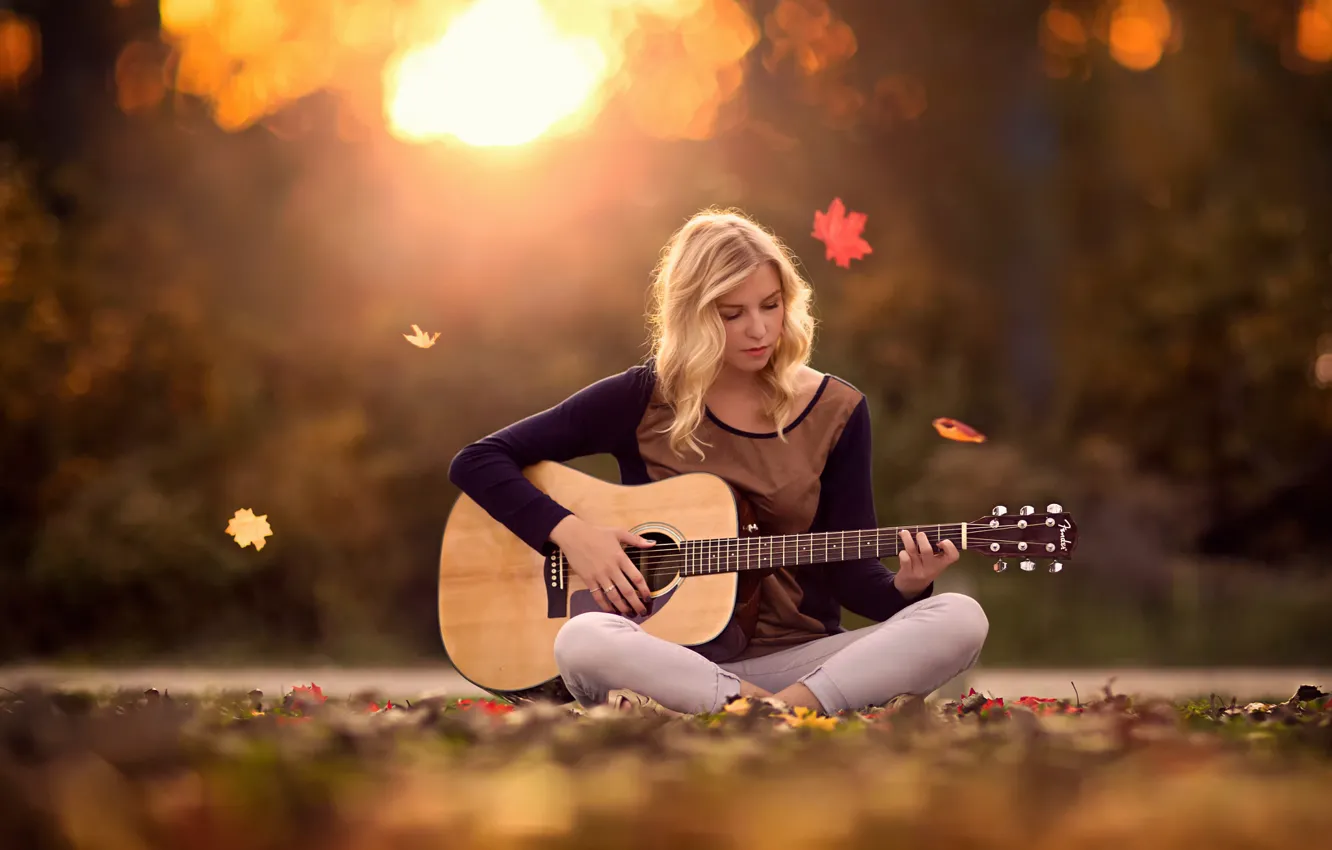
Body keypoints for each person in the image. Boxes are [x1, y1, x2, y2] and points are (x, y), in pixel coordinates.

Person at [447, 208, 989, 716]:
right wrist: (570, 534)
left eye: (771, 305)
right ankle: (762, 709)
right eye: (733, 313)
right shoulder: (641, 398)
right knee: (581, 639)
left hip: (800, 663)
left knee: (960, 617)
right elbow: (478, 460)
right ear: (693, 314)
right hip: (667, 659)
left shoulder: (836, 410)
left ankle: (769, 712)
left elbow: (850, 577)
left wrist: (909, 587)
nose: (759, 329)